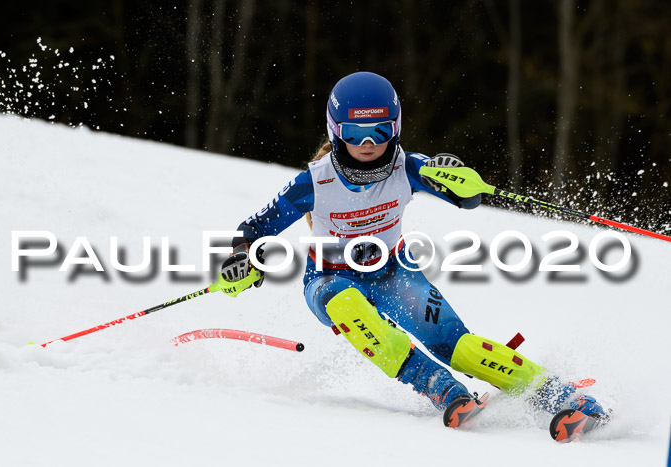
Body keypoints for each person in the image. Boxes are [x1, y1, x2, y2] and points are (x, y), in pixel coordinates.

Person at [218, 71, 609, 422]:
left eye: (380, 131)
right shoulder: (315, 182)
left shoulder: (408, 167)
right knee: (345, 303)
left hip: (394, 270)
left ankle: (562, 394)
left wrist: (458, 178)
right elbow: (253, 228)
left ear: (396, 128)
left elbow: (468, 198)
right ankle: (437, 385)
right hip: (328, 276)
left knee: (459, 347)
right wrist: (243, 258)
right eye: (354, 134)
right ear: (336, 131)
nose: (368, 144)